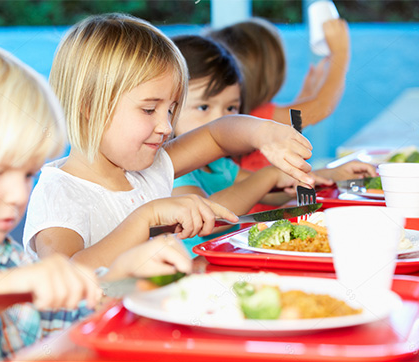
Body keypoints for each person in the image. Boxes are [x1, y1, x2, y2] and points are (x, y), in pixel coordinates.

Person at [23, 13, 314, 269]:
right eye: (149, 109)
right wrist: (146, 217)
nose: (166, 126)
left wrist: (264, 133)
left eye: (172, 109)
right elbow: (66, 276)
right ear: (88, 106)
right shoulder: (59, 192)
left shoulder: (148, 170)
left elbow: (218, 135)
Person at [0, 41, 191, 361]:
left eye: (27, 174)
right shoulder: (5, 275)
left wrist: (120, 281)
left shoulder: (2, 256)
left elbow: (58, 327)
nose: (18, 196)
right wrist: (8, 289)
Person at [170, 35, 376, 253]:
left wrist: (330, 175)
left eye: (231, 108)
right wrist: (269, 175)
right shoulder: (172, 171)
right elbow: (209, 220)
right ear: (169, 107)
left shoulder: (218, 165)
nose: (221, 119)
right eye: (204, 107)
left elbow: (269, 192)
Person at [207, 17, 350, 171]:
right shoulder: (257, 117)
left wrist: (307, 94)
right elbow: (322, 107)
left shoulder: (244, 116)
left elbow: (292, 123)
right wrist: (340, 54)